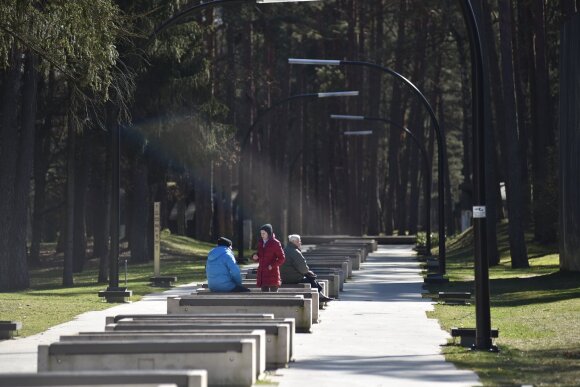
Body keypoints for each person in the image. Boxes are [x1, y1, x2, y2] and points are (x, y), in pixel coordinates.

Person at [281, 234, 334, 303]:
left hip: (283, 277)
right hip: (291, 278)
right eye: (299, 241)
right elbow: (303, 269)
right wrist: (308, 272)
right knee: (310, 278)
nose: (300, 243)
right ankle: (320, 296)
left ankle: (320, 295)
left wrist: (307, 272)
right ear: (295, 242)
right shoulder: (295, 252)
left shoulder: (284, 250)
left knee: (309, 275)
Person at [251, 224, 286, 292]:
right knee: (264, 297)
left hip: (272, 273)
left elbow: (282, 258)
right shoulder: (260, 242)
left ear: (269, 233)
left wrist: (272, 265)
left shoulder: (275, 243)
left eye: (264, 233)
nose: (262, 235)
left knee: (274, 296)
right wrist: (254, 256)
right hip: (262, 273)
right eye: (261, 233)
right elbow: (260, 255)